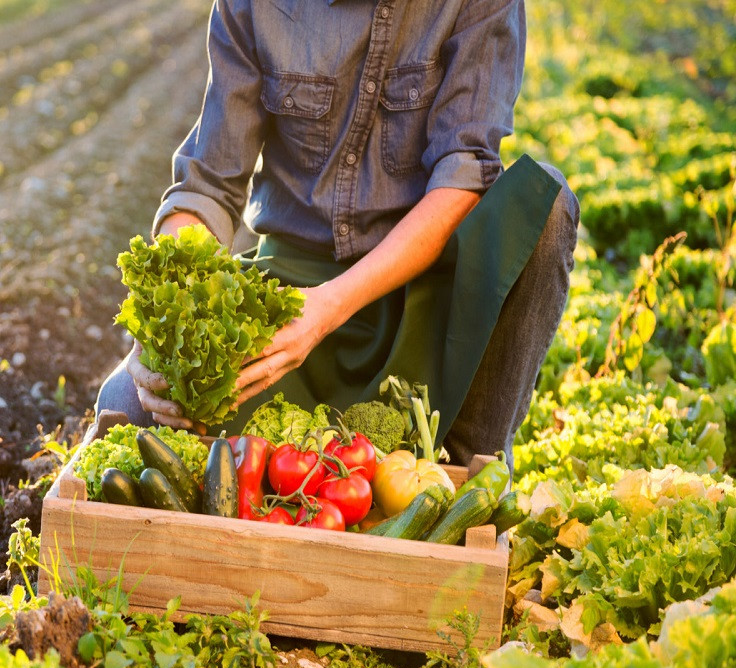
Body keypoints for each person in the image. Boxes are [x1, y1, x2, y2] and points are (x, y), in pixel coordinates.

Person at [97, 0, 579, 468]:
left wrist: (327, 308)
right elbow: (207, 187)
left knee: (548, 204)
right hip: (287, 294)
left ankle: (469, 456)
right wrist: (169, 319)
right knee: (125, 404)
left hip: (421, 290)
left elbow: (462, 178)